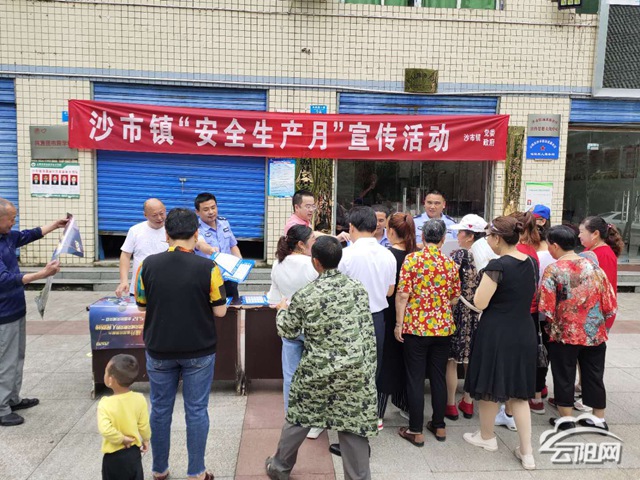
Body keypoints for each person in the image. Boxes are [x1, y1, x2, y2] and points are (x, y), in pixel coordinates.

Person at [266, 236, 377, 480]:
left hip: (317, 370)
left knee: (299, 416)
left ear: (315, 262)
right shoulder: (358, 288)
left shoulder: (306, 294)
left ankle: (279, 468)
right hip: (355, 369)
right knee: (352, 424)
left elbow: (288, 330)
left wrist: (282, 311)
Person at [135, 208, 227, 480]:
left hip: (159, 348)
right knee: (196, 410)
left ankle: (159, 469)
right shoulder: (209, 268)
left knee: (160, 409)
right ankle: (196, 471)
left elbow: (141, 306)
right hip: (199, 349)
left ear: (166, 234)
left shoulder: (147, 265)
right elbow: (220, 311)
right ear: (196, 234)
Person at [463, 216, 537, 471]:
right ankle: (527, 452)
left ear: (497, 238)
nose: (487, 241)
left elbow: (480, 302)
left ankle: (487, 437)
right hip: (524, 330)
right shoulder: (530, 262)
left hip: (497, 332)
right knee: (519, 393)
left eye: (489, 237)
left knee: (489, 383)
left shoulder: (497, 266)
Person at [538, 225, 617, 432]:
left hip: (565, 333)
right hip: (594, 332)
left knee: (564, 375)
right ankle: (598, 418)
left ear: (555, 246)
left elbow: (546, 306)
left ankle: (566, 419)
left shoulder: (554, 269)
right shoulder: (594, 267)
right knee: (594, 374)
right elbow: (610, 303)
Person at [0, 198, 67, 427]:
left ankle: (12, 398)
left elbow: (29, 235)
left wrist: (55, 225)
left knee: (17, 357)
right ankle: (2, 408)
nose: (14, 222)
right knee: (6, 360)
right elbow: (4, 280)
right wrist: (42, 274)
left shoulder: (7, 236)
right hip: (3, 314)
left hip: (16, 308)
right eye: (11, 219)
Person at [395, 219, 461, 446]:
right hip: (443, 328)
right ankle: (439, 425)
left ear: (422, 238)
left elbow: (403, 295)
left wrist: (399, 324)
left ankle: (415, 429)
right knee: (438, 376)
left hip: (415, 327)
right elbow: (454, 297)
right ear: (443, 239)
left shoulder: (412, 260)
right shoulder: (450, 263)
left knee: (415, 378)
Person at [265, 225, 321, 439]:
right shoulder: (311, 264)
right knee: (315, 374)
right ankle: (314, 423)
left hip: (289, 325)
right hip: (313, 326)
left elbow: (273, 299)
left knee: (290, 375)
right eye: (313, 238)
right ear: (301, 244)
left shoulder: (278, 264)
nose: (315, 242)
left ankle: (292, 418)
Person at [338, 206, 396, 378]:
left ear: (351, 227)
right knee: (373, 367)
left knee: (347, 367)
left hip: (349, 316)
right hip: (376, 318)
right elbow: (390, 291)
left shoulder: (344, 255)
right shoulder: (388, 255)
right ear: (374, 227)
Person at [376, 213, 416, 428]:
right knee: (407, 361)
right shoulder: (415, 255)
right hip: (413, 315)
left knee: (386, 361)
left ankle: (378, 412)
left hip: (388, 312)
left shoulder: (386, 256)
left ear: (390, 231)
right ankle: (406, 405)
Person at [445, 214, 485, 421]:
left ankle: (451, 404)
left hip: (458, 311)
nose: (458, 236)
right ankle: (468, 402)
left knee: (452, 360)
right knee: (472, 359)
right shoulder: (488, 256)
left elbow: (449, 284)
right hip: (479, 313)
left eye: (461, 232)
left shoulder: (459, 255)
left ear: (470, 236)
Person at [511, 211, 546, 415]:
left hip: (518, 311)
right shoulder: (532, 250)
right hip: (530, 310)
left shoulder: (517, 250)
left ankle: (515, 399)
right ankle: (533, 394)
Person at [98, 354, 150, 480]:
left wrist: (121, 439)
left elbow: (105, 430)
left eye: (105, 372)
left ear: (111, 380)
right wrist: (146, 439)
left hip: (113, 456)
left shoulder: (105, 403)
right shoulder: (139, 399)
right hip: (133, 452)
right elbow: (143, 425)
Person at [194, 192, 242, 301]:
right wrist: (210, 250)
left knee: (233, 306)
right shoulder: (196, 229)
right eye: (206, 209)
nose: (211, 212)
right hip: (209, 280)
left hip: (229, 277)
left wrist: (240, 263)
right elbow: (200, 244)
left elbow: (232, 245)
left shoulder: (224, 223)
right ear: (197, 212)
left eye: (213, 207)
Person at [115, 198, 167, 298]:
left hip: (165, 288)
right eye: (154, 215)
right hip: (139, 288)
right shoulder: (135, 230)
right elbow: (125, 255)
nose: (160, 218)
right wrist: (124, 281)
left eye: (162, 213)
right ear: (145, 215)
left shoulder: (172, 230)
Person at [579, 216, 623, 330]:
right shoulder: (590, 249)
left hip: (597, 315)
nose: (579, 236)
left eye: (582, 232)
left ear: (595, 234)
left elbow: (603, 288)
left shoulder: (604, 254)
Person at [284, 189, 349, 242]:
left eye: (313, 206)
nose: (311, 210)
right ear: (297, 207)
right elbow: (312, 235)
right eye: (308, 206)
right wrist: (335, 238)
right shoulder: (293, 225)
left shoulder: (305, 220)